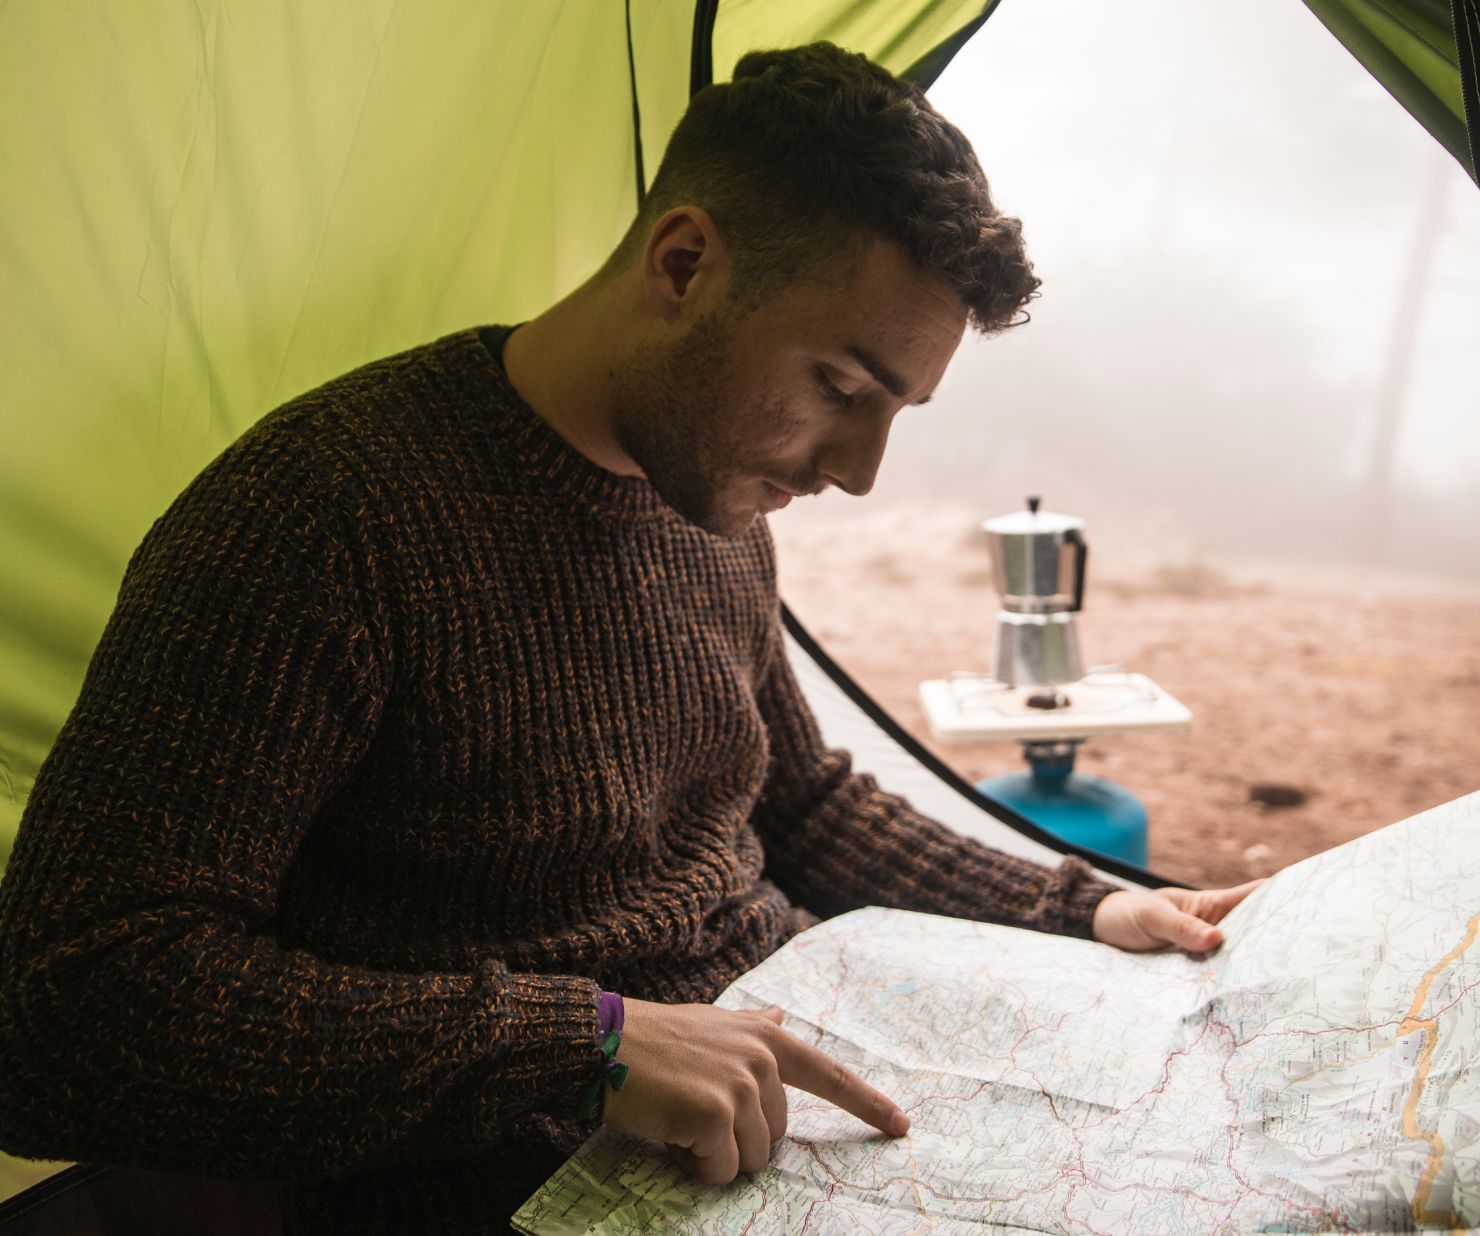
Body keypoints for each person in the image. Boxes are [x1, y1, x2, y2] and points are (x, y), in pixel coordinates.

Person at [0, 41, 1259, 1235]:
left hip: (777, 1096)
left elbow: (801, 801)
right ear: (681, 264)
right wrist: (588, 1041)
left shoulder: (713, 494)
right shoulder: (324, 517)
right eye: (839, 386)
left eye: (898, 412)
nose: (860, 472)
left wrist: (1085, 907)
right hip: (513, 1175)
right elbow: (65, 1006)